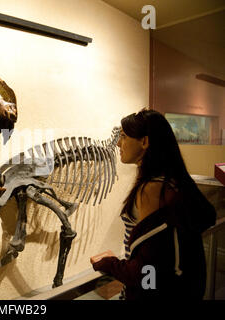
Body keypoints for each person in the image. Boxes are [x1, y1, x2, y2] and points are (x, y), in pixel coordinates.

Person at [90, 108, 216, 300]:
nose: (118, 143)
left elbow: (147, 269)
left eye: (124, 136)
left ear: (144, 141)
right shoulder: (172, 180)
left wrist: (109, 263)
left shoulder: (152, 189)